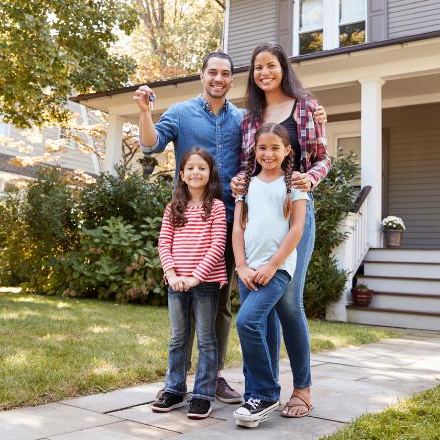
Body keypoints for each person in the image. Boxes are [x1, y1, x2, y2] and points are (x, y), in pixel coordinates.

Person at [134, 52, 327, 402]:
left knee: (231, 304)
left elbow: (307, 154)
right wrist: (146, 112)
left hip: (252, 216)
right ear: (202, 75)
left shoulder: (253, 115)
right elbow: (150, 146)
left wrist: (316, 127)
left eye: (226, 73)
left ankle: (220, 378)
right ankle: (186, 383)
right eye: (212, 72)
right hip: (205, 220)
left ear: (234, 80)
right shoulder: (187, 112)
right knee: (196, 302)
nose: (218, 78)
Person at [231, 41, 331, 418]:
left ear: (282, 67)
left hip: (294, 210)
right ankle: (265, 389)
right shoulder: (249, 116)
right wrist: (239, 184)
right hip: (259, 214)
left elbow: (323, 158)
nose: (264, 73)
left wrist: (309, 179)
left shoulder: (306, 106)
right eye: (258, 67)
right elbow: (247, 164)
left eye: (270, 65)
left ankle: (302, 389)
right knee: (263, 307)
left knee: (289, 304)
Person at [232, 123, 308, 428]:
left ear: (287, 151)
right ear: (254, 149)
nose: (268, 153)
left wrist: (272, 265)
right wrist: (241, 266)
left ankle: (265, 393)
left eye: (276, 147)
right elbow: (238, 228)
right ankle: (255, 398)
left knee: (247, 321)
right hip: (248, 269)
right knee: (258, 327)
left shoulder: (295, 185)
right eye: (262, 147)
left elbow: (297, 229)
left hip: (276, 269)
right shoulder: (245, 185)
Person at [153, 147, 227, 419]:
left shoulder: (216, 207)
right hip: (176, 282)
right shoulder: (174, 208)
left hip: (205, 282)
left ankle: (203, 395)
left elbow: (218, 244)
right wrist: (172, 275)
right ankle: (173, 389)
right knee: (178, 338)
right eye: (190, 168)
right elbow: (164, 242)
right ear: (181, 175)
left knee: (206, 339)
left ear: (210, 174)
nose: (196, 172)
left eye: (202, 168)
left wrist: (197, 275)